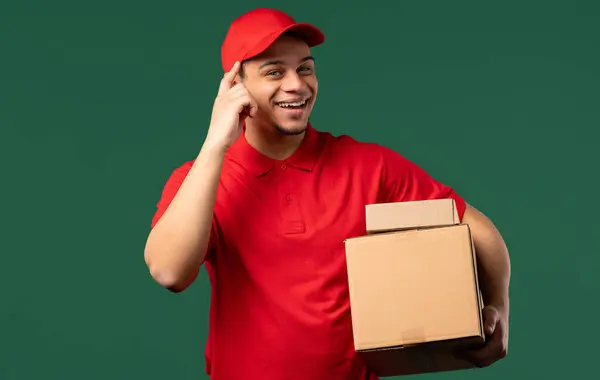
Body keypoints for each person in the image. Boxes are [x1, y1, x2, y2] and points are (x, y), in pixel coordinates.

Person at [144, 7, 511, 380]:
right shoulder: (202, 178)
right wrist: (215, 144)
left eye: (305, 68)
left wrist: (498, 306)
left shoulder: (369, 166)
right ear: (235, 86)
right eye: (274, 72)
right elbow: (170, 271)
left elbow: (476, 228)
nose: (297, 84)